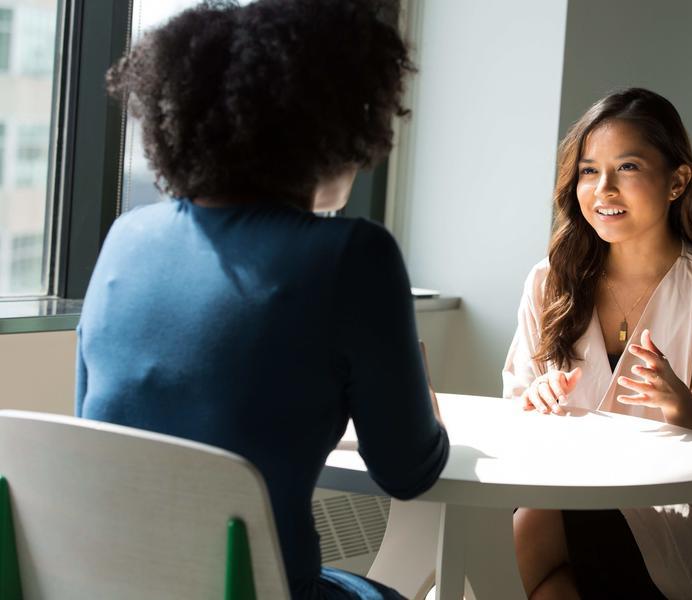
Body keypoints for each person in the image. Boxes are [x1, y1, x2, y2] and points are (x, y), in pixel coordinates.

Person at [75, 2, 449, 599]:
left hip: (108, 585)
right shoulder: (354, 254)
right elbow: (407, 472)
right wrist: (420, 406)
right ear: (331, 127)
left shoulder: (126, 240)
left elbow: (99, 432)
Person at [503, 88, 692, 600]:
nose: (603, 189)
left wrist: (684, 410)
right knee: (550, 588)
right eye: (589, 170)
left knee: (527, 530)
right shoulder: (550, 281)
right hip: (563, 493)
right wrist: (535, 399)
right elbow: (514, 415)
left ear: (677, 181)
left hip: (683, 519)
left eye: (627, 167)